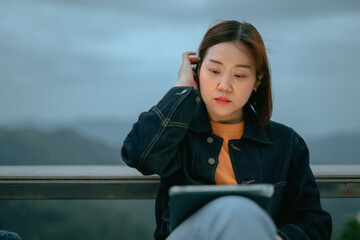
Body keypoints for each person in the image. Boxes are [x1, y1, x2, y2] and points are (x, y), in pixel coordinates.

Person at [121, 20, 332, 240]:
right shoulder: (178, 135)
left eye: (239, 75)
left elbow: (315, 222)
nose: (224, 85)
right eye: (214, 70)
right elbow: (139, 155)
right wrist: (183, 88)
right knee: (236, 210)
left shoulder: (287, 144)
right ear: (197, 71)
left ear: (257, 81)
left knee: (240, 215)